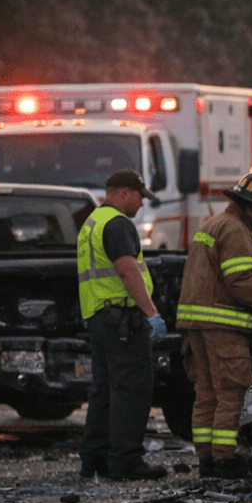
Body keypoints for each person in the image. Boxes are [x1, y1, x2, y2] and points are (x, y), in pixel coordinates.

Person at [177, 171, 252, 479]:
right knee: (231, 392)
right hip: (222, 325)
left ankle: (207, 460)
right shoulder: (236, 230)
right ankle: (225, 459)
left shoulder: (213, 224)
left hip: (196, 324)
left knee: (206, 391)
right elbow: (241, 284)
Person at [75, 169, 169, 481]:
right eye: (140, 196)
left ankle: (95, 459)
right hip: (123, 320)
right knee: (133, 389)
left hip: (101, 317)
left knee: (104, 390)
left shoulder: (92, 223)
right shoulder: (117, 224)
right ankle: (126, 461)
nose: (142, 204)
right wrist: (151, 313)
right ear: (125, 193)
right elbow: (128, 271)